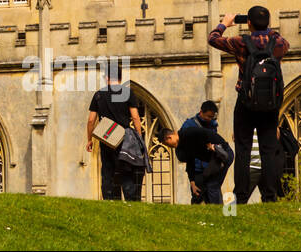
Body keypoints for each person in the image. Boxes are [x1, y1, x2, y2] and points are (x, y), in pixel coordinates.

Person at [209, 6, 289, 204]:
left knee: (243, 149)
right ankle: (270, 196)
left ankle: (242, 197)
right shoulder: (278, 43)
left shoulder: (240, 43)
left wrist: (224, 24)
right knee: (268, 150)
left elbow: (212, 39)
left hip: (245, 102)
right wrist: (267, 31)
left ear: (248, 23)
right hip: (270, 104)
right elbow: (284, 42)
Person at [159, 101, 233, 204]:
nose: (170, 147)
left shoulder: (188, 133)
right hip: (207, 163)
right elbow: (190, 161)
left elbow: (205, 134)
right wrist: (192, 182)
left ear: (169, 137)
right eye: (208, 116)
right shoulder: (186, 134)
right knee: (204, 190)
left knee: (212, 185)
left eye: (168, 144)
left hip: (222, 154)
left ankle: (217, 213)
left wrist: (213, 146)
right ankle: (213, 212)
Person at [86, 73, 146, 201]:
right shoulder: (127, 92)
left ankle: (109, 200)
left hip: (106, 138)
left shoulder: (99, 95)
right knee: (126, 171)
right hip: (123, 139)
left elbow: (91, 120)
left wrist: (89, 140)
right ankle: (130, 201)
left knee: (107, 171)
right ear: (120, 77)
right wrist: (139, 137)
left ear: (107, 78)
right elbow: (135, 117)